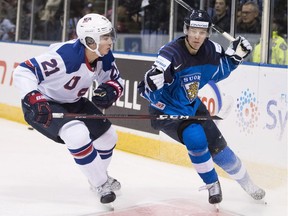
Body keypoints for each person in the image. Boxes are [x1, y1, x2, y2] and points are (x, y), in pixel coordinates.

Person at [138, 9, 266, 205]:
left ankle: (248, 184)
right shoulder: (170, 53)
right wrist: (151, 84)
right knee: (195, 137)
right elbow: (147, 89)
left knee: (222, 152)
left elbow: (218, 72)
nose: (197, 36)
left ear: (208, 33)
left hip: (192, 106)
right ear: (186, 30)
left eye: (202, 32)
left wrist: (236, 56)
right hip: (167, 110)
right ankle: (212, 183)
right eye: (193, 31)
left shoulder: (211, 50)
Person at [13, 13, 124, 205]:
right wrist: (35, 98)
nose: (110, 41)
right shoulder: (66, 57)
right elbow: (23, 71)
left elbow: (115, 80)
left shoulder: (104, 56)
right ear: (90, 41)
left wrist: (110, 90)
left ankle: (97, 178)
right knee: (77, 134)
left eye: (109, 36)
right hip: (46, 102)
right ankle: (101, 183)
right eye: (105, 37)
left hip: (73, 101)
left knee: (108, 137)